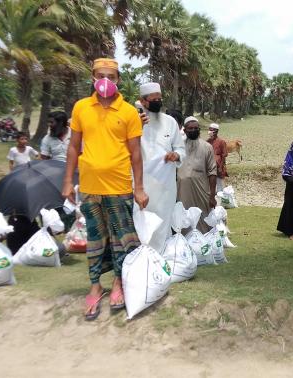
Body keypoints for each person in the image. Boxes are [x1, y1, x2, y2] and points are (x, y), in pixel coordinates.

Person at [62, 57, 147, 321]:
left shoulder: (129, 112)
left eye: (110, 75)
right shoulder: (81, 108)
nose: (105, 80)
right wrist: (67, 181)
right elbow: (74, 146)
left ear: (118, 79)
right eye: (101, 75)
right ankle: (95, 285)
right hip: (89, 187)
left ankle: (119, 284)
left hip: (119, 186)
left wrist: (139, 188)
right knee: (95, 238)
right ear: (93, 77)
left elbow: (136, 154)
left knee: (122, 238)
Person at [135, 82, 186, 252]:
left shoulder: (170, 122)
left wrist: (176, 155)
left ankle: (161, 258)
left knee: (163, 222)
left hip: (165, 186)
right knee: (141, 223)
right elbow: (124, 147)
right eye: (153, 99)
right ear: (143, 101)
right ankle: (141, 258)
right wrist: (136, 126)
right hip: (141, 185)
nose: (158, 101)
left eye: (160, 98)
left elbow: (180, 148)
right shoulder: (133, 122)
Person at [177, 117, 217, 233]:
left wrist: (212, 195)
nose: (193, 130)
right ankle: (185, 245)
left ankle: (203, 244)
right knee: (184, 218)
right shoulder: (178, 147)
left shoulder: (207, 147)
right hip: (182, 191)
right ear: (184, 130)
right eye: (190, 128)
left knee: (202, 218)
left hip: (201, 191)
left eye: (196, 128)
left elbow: (212, 172)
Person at [207, 123, 228, 192]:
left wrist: (220, 167)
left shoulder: (222, 142)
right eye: (209, 129)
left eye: (211, 130)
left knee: (220, 186)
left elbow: (224, 155)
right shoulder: (208, 141)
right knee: (210, 186)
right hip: (209, 167)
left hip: (218, 166)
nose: (209, 131)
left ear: (216, 131)